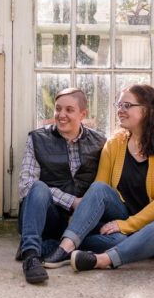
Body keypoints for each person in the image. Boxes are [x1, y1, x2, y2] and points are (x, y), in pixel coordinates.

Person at [41, 83, 154, 271]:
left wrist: (127, 225)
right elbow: (99, 188)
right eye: (118, 105)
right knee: (99, 190)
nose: (120, 111)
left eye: (127, 106)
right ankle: (65, 248)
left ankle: (102, 260)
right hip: (125, 224)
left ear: (147, 110)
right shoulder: (115, 143)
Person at [17, 87, 107, 285]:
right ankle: (31, 255)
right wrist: (72, 201)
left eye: (69, 110)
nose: (61, 115)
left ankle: (55, 247)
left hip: (78, 224)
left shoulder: (100, 142)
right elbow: (26, 186)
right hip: (47, 216)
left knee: (115, 242)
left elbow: (131, 145)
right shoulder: (37, 139)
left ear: (83, 114)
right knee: (38, 188)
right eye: (58, 109)